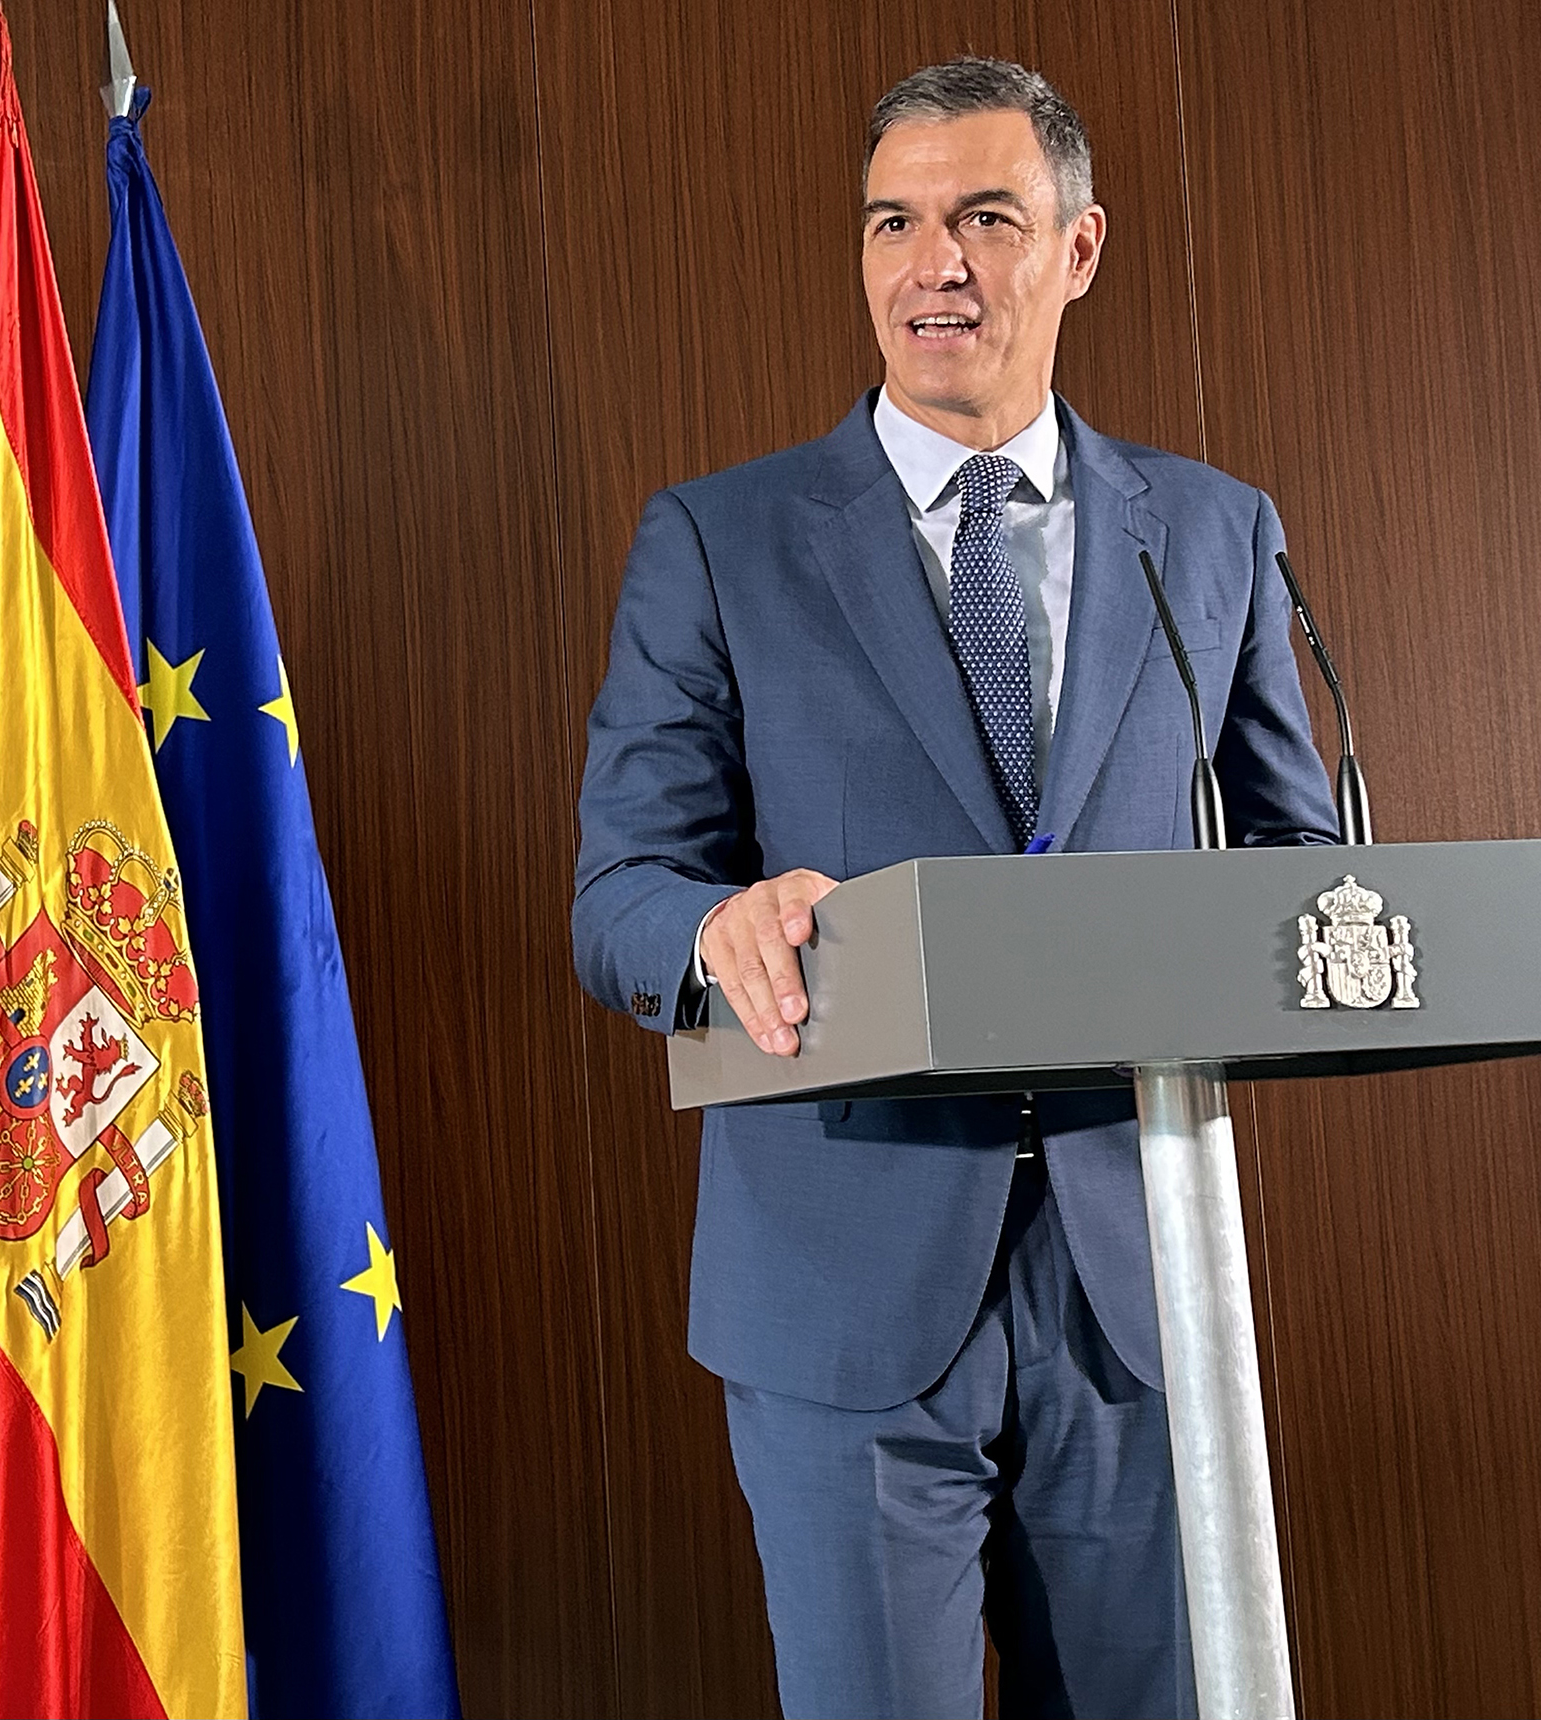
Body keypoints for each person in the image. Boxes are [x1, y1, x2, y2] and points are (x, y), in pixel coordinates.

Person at [570, 55, 1338, 1720]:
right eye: (897, 225)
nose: (938, 266)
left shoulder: (1209, 536)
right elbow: (620, 884)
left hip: (1137, 1297)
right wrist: (711, 926)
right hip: (840, 1295)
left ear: (1077, 249)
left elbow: (1299, 869)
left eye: (987, 217)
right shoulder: (720, 539)